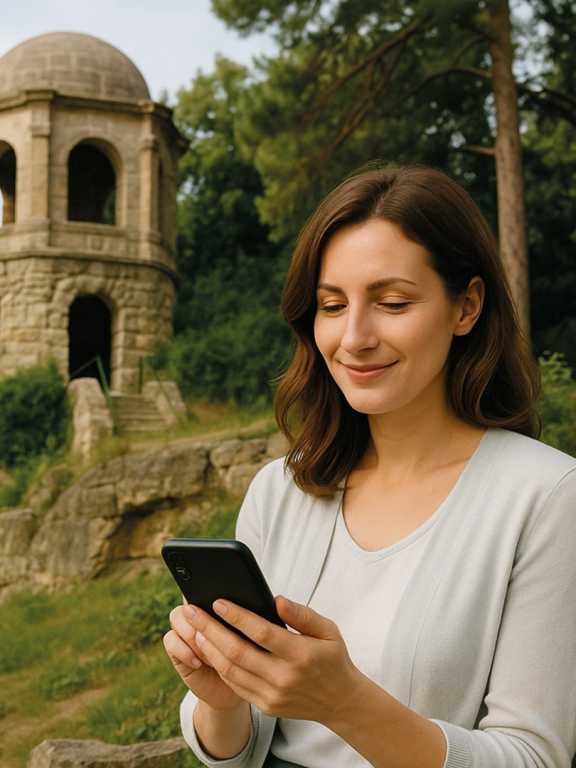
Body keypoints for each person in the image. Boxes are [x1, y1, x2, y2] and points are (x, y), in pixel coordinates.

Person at [163, 165, 576, 768]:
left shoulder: (546, 496)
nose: (354, 337)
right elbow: (237, 750)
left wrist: (347, 704)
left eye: (392, 302)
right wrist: (222, 699)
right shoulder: (281, 490)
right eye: (332, 305)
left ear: (466, 306)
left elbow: (534, 757)